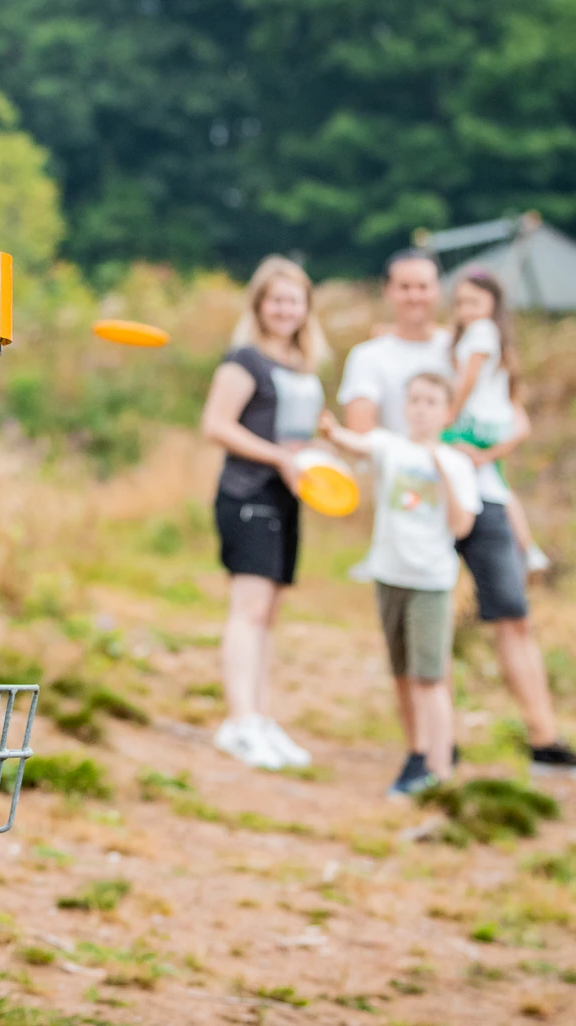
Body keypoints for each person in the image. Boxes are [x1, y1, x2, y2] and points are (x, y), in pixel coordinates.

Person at [337, 249, 576, 779]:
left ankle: (544, 740)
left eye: (425, 286)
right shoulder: (371, 356)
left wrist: (483, 453)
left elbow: (512, 412)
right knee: (414, 635)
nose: (416, 296)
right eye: (405, 287)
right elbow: (361, 432)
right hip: (416, 509)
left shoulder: (463, 344)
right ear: (389, 291)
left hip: (480, 498)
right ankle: (429, 749)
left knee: (512, 614)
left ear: (438, 292)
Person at [319, 373, 479, 796]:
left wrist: (440, 465)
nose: (421, 409)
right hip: (389, 575)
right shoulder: (391, 447)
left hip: (430, 582)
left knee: (430, 677)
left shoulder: (459, 464)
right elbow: (357, 443)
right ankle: (416, 752)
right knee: (403, 676)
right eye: (414, 400)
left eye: (430, 402)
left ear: (446, 412)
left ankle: (440, 770)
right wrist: (332, 432)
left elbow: (462, 525)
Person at [200, 255, 328, 770]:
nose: (284, 308)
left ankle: (260, 716)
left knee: (269, 616)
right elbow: (216, 425)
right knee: (248, 610)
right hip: (247, 494)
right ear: (260, 304)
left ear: (305, 308)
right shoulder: (244, 361)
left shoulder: (301, 367)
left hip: (287, 499)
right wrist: (278, 457)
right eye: (275, 299)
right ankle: (239, 722)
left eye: (293, 300)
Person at [446, 269, 551, 574]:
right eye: (460, 303)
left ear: (492, 302)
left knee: (434, 449)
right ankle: (530, 550)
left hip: (475, 424)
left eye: (473, 302)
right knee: (498, 486)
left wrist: (450, 414)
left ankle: (451, 543)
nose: (465, 310)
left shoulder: (481, 331)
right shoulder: (494, 338)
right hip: (494, 429)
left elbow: (468, 379)